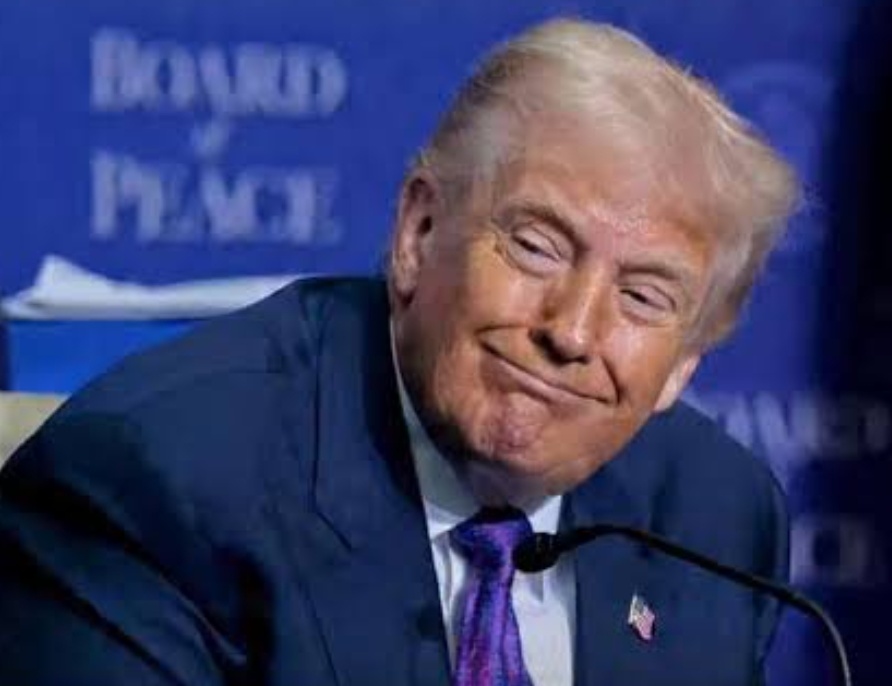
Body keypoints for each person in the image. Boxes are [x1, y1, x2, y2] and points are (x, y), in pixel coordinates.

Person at [0, 18, 797, 686]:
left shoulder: (715, 516)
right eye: (537, 247)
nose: (573, 332)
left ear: (686, 362)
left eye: (644, 297)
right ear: (418, 233)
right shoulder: (155, 484)